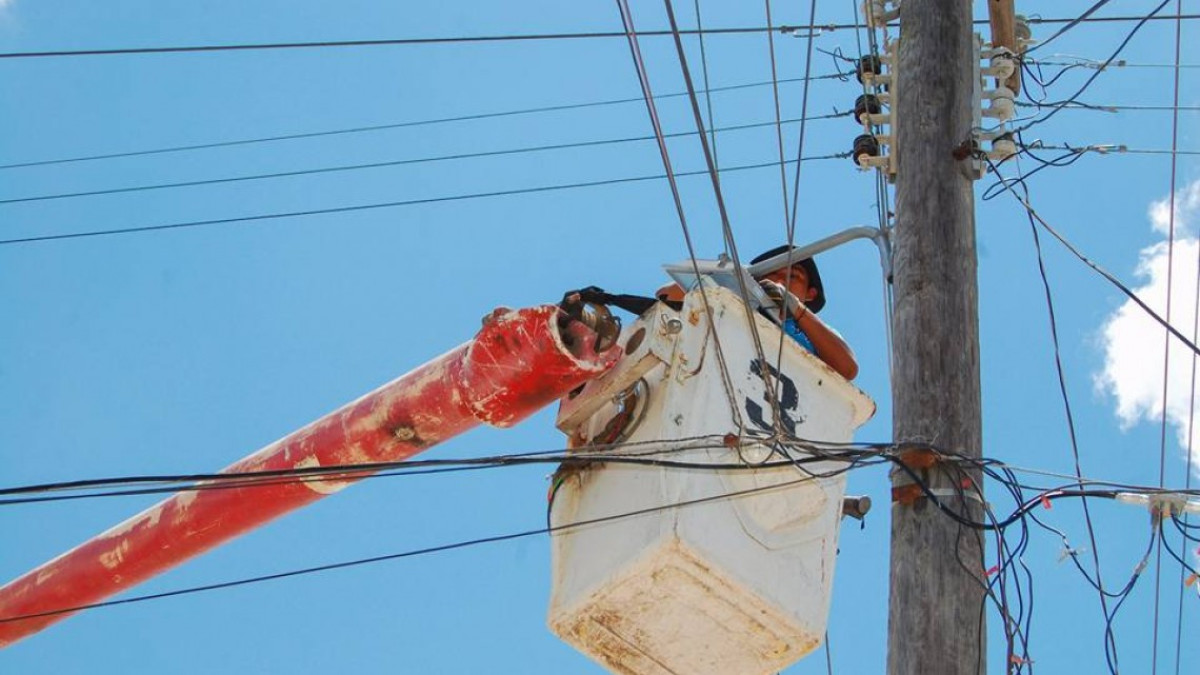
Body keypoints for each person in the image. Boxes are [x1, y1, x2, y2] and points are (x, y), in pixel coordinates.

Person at [655, 245, 858, 381]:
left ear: (810, 294)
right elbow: (665, 295)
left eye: (793, 276)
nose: (780, 281)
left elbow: (847, 369)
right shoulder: (735, 305)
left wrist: (796, 308)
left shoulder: (814, 334)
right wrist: (733, 279)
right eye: (773, 273)